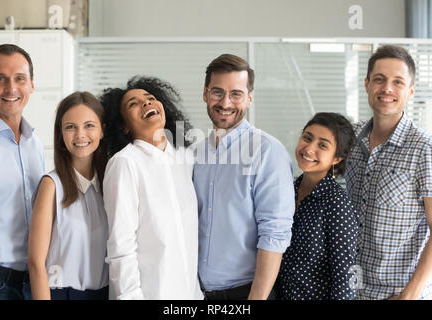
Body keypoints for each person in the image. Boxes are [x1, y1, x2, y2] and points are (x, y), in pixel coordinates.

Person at [193, 53, 295, 300]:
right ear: (205, 93)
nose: (225, 102)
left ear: (249, 98)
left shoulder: (267, 151)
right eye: (217, 92)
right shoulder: (195, 152)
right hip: (196, 292)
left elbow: (275, 233)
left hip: (247, 293)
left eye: (236, 94)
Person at [100, 76, 203, 300]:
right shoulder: (125, 163)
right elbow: (121, 245)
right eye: (133, 104)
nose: (147, 103)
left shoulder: (184, 159)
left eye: (150, 98)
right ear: (124, 127)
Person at [345, 45, 432, 300]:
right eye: (380, 79)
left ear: (411, 91)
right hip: (349, 291)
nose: (387, 89)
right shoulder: (349, 138)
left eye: (398, 82)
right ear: (367, 84)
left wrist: (410, 295)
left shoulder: (424, 149)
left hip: (396, 294)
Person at [28, 91, 109, 300]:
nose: (80, 135)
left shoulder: (112, 184)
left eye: (89, 125)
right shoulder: (51, 185)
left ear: (102, 131)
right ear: (61, 135)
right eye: (70, 127)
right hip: (61, 295)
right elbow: (36, 263)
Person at [0, 44, 44, 300]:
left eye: (20, 79)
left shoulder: (34, 142)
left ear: (31, 85)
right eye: (0, 79)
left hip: (29, 283)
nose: (11, 89)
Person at [277, 112, 358, 300]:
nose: (309, 149)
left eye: (322, 145)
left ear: (337, 158)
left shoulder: (336, 203)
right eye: (307, 138)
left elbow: (345, 278)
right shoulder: (287, 190)